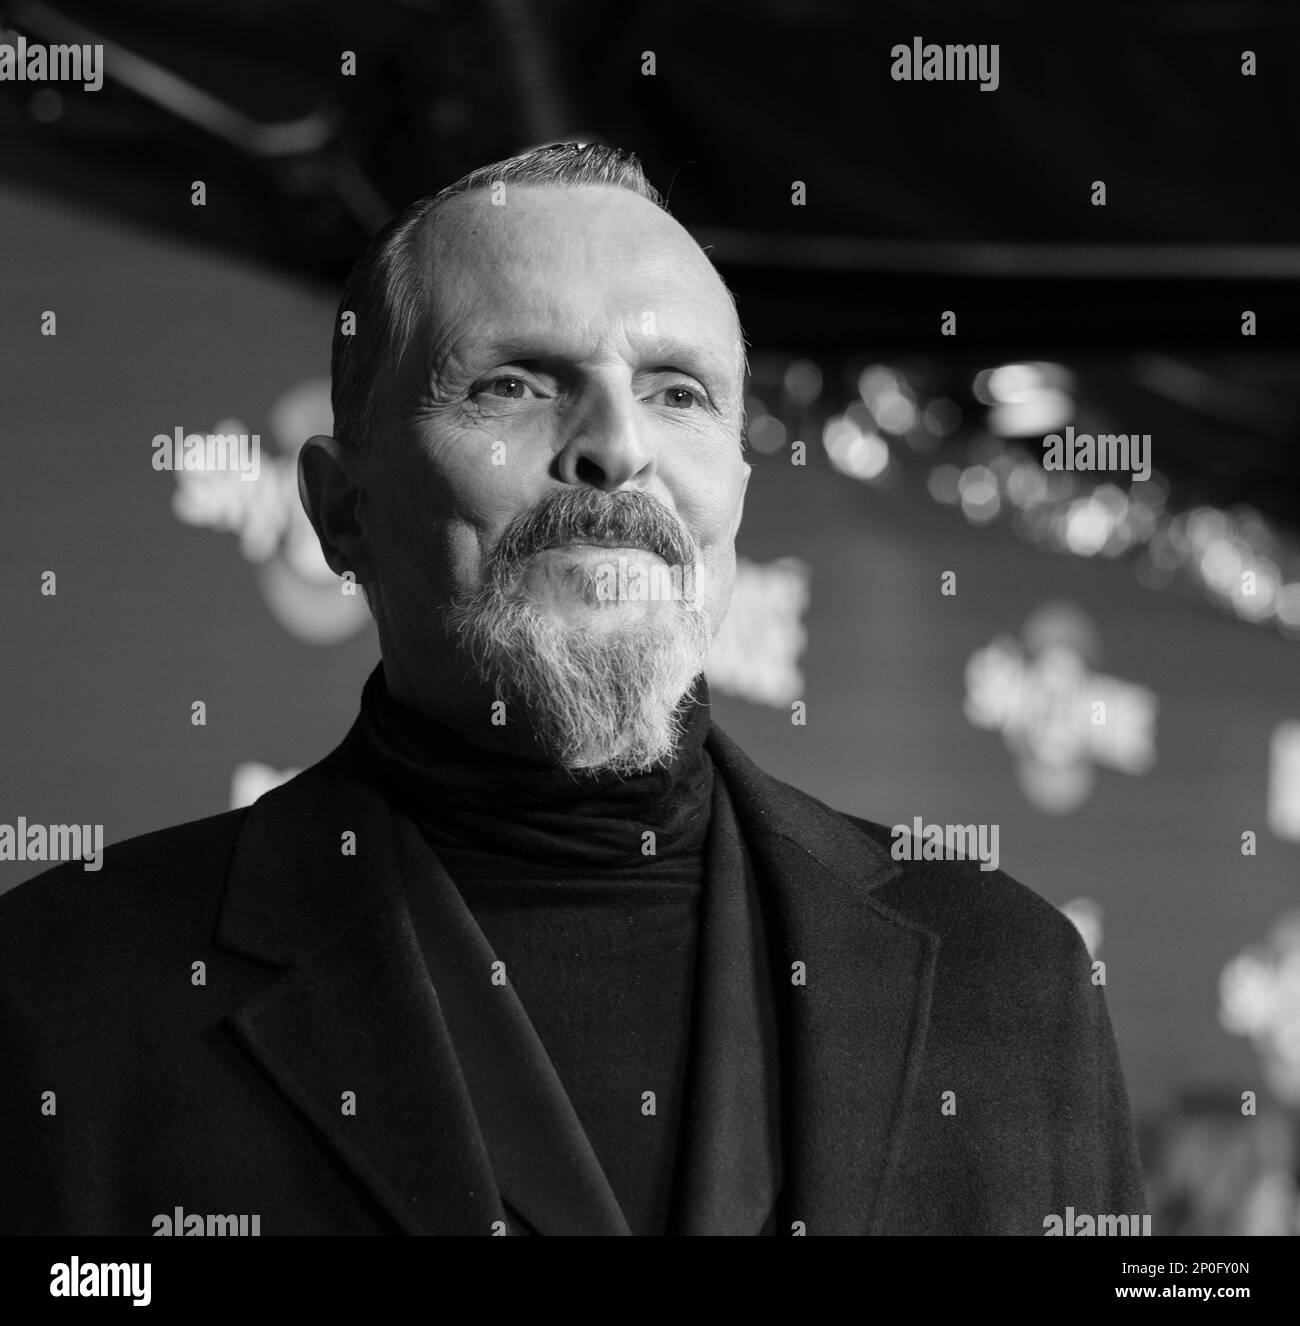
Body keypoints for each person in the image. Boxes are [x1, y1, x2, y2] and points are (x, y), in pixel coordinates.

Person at [0, 143, 1145, 1236]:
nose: (614, 447)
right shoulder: (69, 992)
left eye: (679, 393)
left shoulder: (1009, 980)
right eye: (512, 384)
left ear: (736, 493)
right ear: (341, 507)